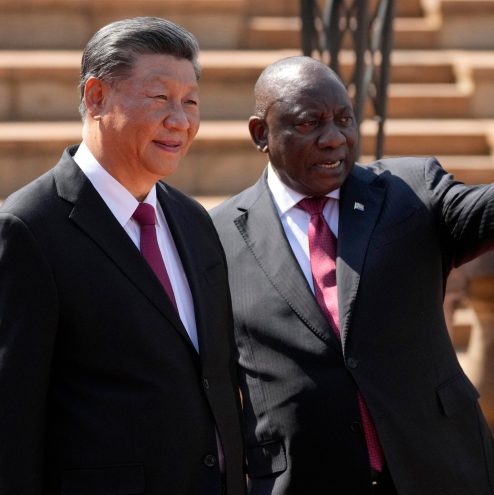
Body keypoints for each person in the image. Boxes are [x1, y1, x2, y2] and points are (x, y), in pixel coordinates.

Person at [210, 55, 494, 494]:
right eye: (309, 123)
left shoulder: (411, 190)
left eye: (344, 120)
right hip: (305, 478)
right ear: (261, 133)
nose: (334, 139)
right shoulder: (217, 235)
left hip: (441, 469)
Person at [0, 17, 245, 495]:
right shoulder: (29, 227)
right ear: (96, 97)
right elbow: (11, 421)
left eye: (191, 102)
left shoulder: (193, 220)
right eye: (159, 98)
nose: (180, 120)